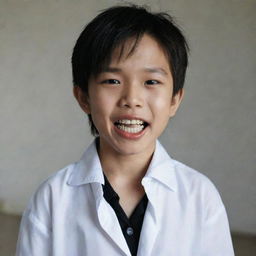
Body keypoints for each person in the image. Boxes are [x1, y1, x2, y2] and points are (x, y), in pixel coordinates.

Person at [16, 5, 234, 256]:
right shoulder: (51, 199)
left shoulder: (201, 196)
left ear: (175, 99)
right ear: (83, 97)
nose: (132, 99)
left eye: (151, 82)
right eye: (112, 81)